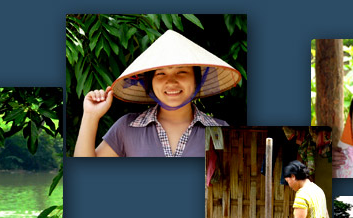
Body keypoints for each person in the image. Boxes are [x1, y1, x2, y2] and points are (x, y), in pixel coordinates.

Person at [75, 30, 241, 157]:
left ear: (197, 79)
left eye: (182, 72)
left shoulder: (221, 131)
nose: (171, 82)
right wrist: (90, 116)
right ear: (150, 82)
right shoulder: (126, 128)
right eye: (161, 74)